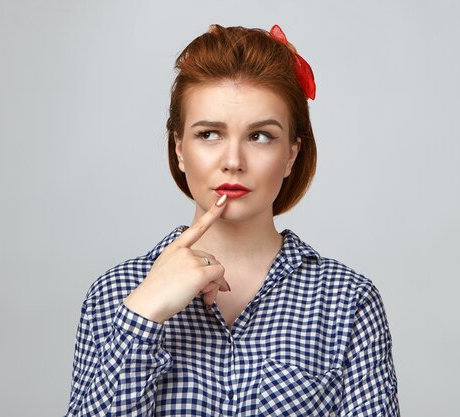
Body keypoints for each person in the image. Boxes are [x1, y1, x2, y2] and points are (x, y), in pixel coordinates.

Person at [64, 24, 399, 416]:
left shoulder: (347, 301)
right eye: (209, 134)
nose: (233, 161)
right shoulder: (114, 295)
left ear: (291, 154)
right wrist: (145, 313)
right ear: (179, 149)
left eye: (260, 137)